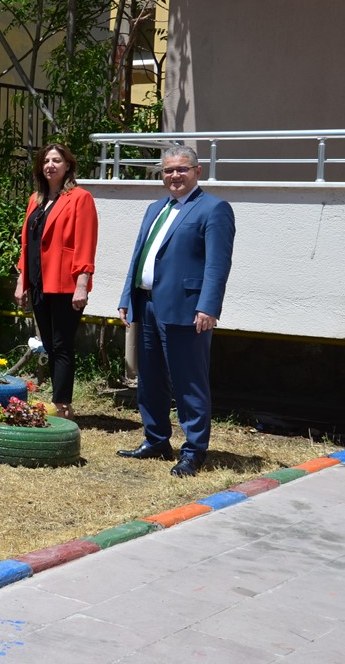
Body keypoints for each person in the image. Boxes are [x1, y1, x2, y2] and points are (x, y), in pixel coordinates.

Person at [117, 145, 235, 478]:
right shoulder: (156, 208)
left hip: (187, 310)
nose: (174, 176)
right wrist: (127, 296)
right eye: (168, 170)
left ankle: (194, 450)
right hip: (149, 304)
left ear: (197, 172)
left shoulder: (214, 209)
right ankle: (156, 440)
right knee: (150, 379)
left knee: (188, 383)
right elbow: (140, 257)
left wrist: (208, 306)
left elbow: (217, 264)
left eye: (181, 169)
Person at [13, 143, 98, 419]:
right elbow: (27, 245)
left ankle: (63, 406)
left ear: (67, 166)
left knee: (62, 345)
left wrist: (82, 284)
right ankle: (58, 400)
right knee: (50, 344)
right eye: (46, 160)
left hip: (65, 285)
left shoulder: (80, 198)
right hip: (38, 283)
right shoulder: (35, 199)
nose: (51, 165)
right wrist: (22, 281)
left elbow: (86, 242)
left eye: (57, 160)